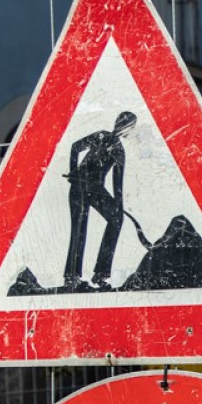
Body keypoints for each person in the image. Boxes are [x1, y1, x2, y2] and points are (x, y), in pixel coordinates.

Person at [63, 111, 137, 290]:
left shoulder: (109, 142)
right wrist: (73, 172)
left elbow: (117, 183)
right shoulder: (113, 144)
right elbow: (75, 147)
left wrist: (118, 208)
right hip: (84, 186)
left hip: (89, 187)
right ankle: (80, 276)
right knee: (81, 229)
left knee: (110, 221)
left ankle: (91, 275)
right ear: (128, 127)